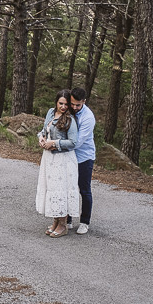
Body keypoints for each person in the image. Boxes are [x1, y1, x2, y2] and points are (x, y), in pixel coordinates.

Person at [35, 89, 80, 238]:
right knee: (52, 188)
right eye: (61, 103)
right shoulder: (50, 113)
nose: (63, 107)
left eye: (66, 104)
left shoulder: (70, 119)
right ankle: (55, 220)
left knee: (62, 189)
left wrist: (54, 143)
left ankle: (63, 224)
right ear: (56, 102)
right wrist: (41, 138)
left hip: (63, 160)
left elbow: (73, 142)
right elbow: (43, 130)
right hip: (49, 158)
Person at [66, 87, 96, 235]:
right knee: (68, 188)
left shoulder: (88, 118)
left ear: (84, 101)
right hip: (69, 156)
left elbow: (77, 142)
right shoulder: (69, 110)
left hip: (84, 157)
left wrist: (58, 145)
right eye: (73, 104)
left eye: (78, 105)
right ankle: (68, 219)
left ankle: (85, 222)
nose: (75, 107)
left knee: (84, 190)